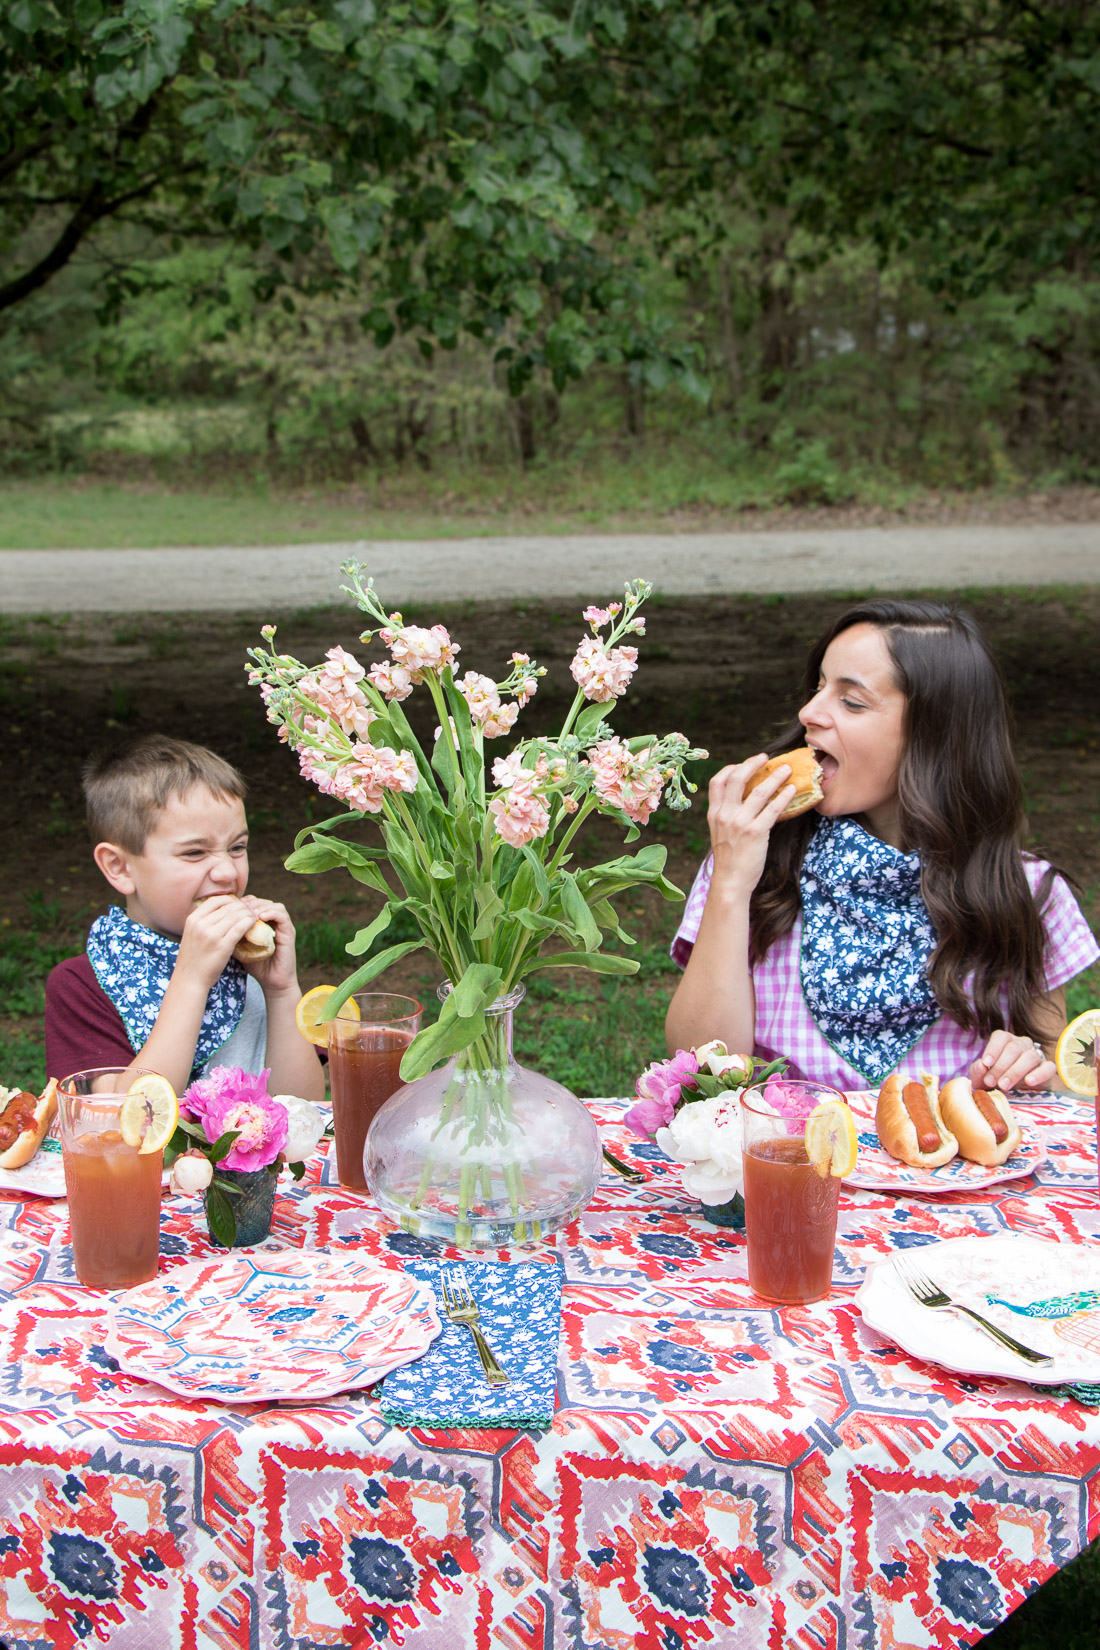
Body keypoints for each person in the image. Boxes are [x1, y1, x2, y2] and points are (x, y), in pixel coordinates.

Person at [666, 599, 1099, 1093]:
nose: (809, 712)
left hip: (952, 1164)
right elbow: (698, 1074)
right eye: (818, 687)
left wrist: (1027, 1067)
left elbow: (1057, 1084)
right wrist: (730, 885)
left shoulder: (1025, 891)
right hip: (785, 1160)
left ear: (933, 737)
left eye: (851, 701)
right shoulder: (754, 861)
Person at [45, 736, 324, 1103]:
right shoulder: (83, 985)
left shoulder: (252, 967)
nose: (226, 872)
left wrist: (281, 990)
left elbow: (304, 1110)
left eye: (237, 847)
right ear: (120, 867)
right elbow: (126, 1121)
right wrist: (192, 980)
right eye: (194, 852)